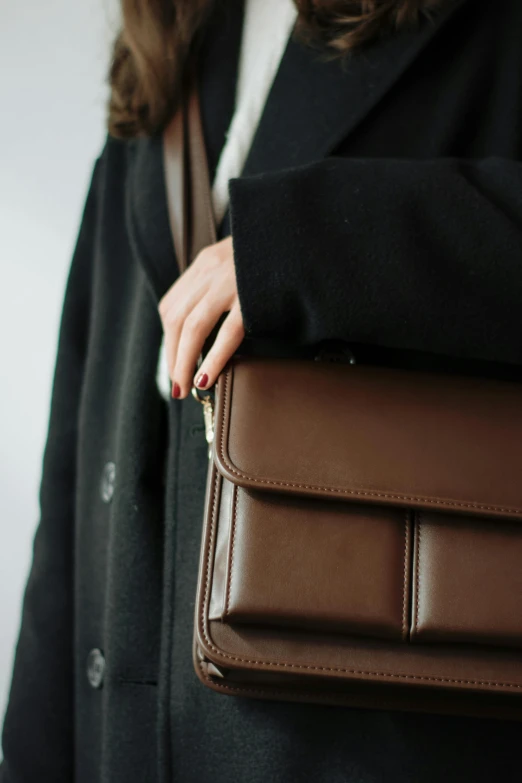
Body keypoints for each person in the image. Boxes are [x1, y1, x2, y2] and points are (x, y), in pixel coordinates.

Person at [2, 0, 522, 780]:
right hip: (119, 738)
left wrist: (302, 245)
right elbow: (76, 481)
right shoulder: (174, 43)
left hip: (362, 739)